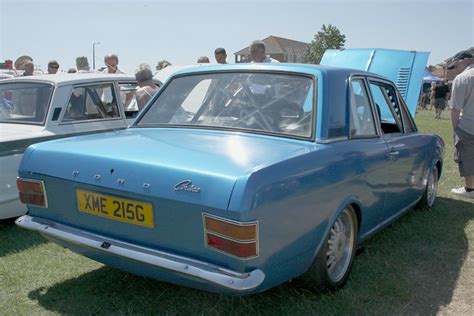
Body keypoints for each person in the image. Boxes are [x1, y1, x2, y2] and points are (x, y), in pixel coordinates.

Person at [449, 50, 474, 198]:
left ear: (465, 61)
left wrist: (455, 129)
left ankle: (470, 189)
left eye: (456, 65)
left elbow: (455, 109)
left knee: (466, 157)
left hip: (468, 126)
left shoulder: (461, 78)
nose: (456, 68)